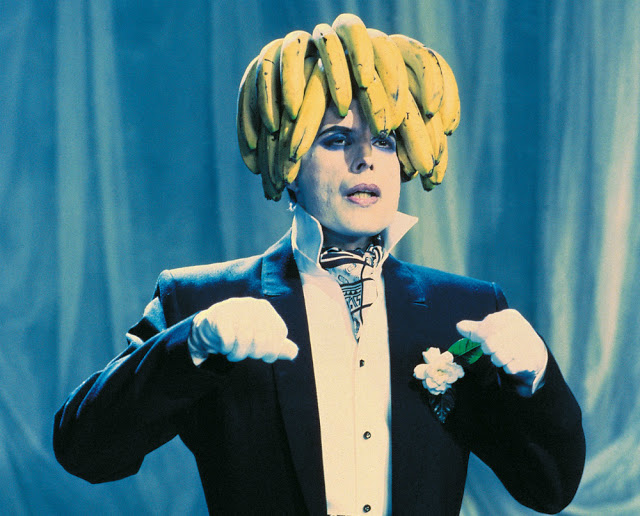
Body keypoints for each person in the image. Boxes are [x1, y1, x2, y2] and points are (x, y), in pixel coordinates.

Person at [54, 14, 585, 516]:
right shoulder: (198, 301)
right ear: (289, 162)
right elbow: (85, 450)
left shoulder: (466, 310)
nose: (366, 158)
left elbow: (550, 489)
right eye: (337, 139)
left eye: (384, 141)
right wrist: (190, 344)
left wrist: (537, 378)